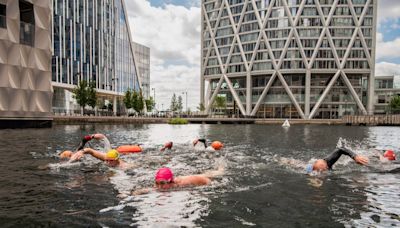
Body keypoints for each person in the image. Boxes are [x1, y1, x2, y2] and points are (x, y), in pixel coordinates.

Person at [132, 166, 224, 195]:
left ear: (170, 181)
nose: (159, 187)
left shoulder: (184, 183)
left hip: (202, 178)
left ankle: (221, 168)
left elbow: (205, 180)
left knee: (218, 173)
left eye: (162, 183)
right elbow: (146, 190)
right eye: (157, 183)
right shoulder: (159, 185)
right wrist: (133, 194)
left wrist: (212, 185)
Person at [70, 148, 135, 169]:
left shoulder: (124, 167)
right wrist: (81, 152)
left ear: (117, 160)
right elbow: (90, 150)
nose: (108, 163)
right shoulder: (105, 157)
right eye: (107, 160)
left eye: (111, 161)